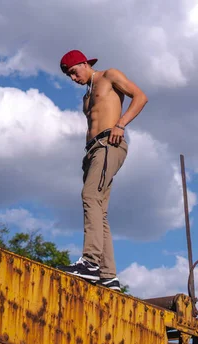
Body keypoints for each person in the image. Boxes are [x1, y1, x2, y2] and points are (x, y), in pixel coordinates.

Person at [56, 50, 148, 290]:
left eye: (74, 72)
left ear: (84, 64)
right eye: (69, 76)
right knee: (99, 209)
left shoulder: (110, 75)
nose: (74, 79)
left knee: (90, 196)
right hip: (92, 151)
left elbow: (140, 97)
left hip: (110, 143)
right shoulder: (87, 97)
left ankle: (90, 262)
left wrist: (121, 124)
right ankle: (108, 276)